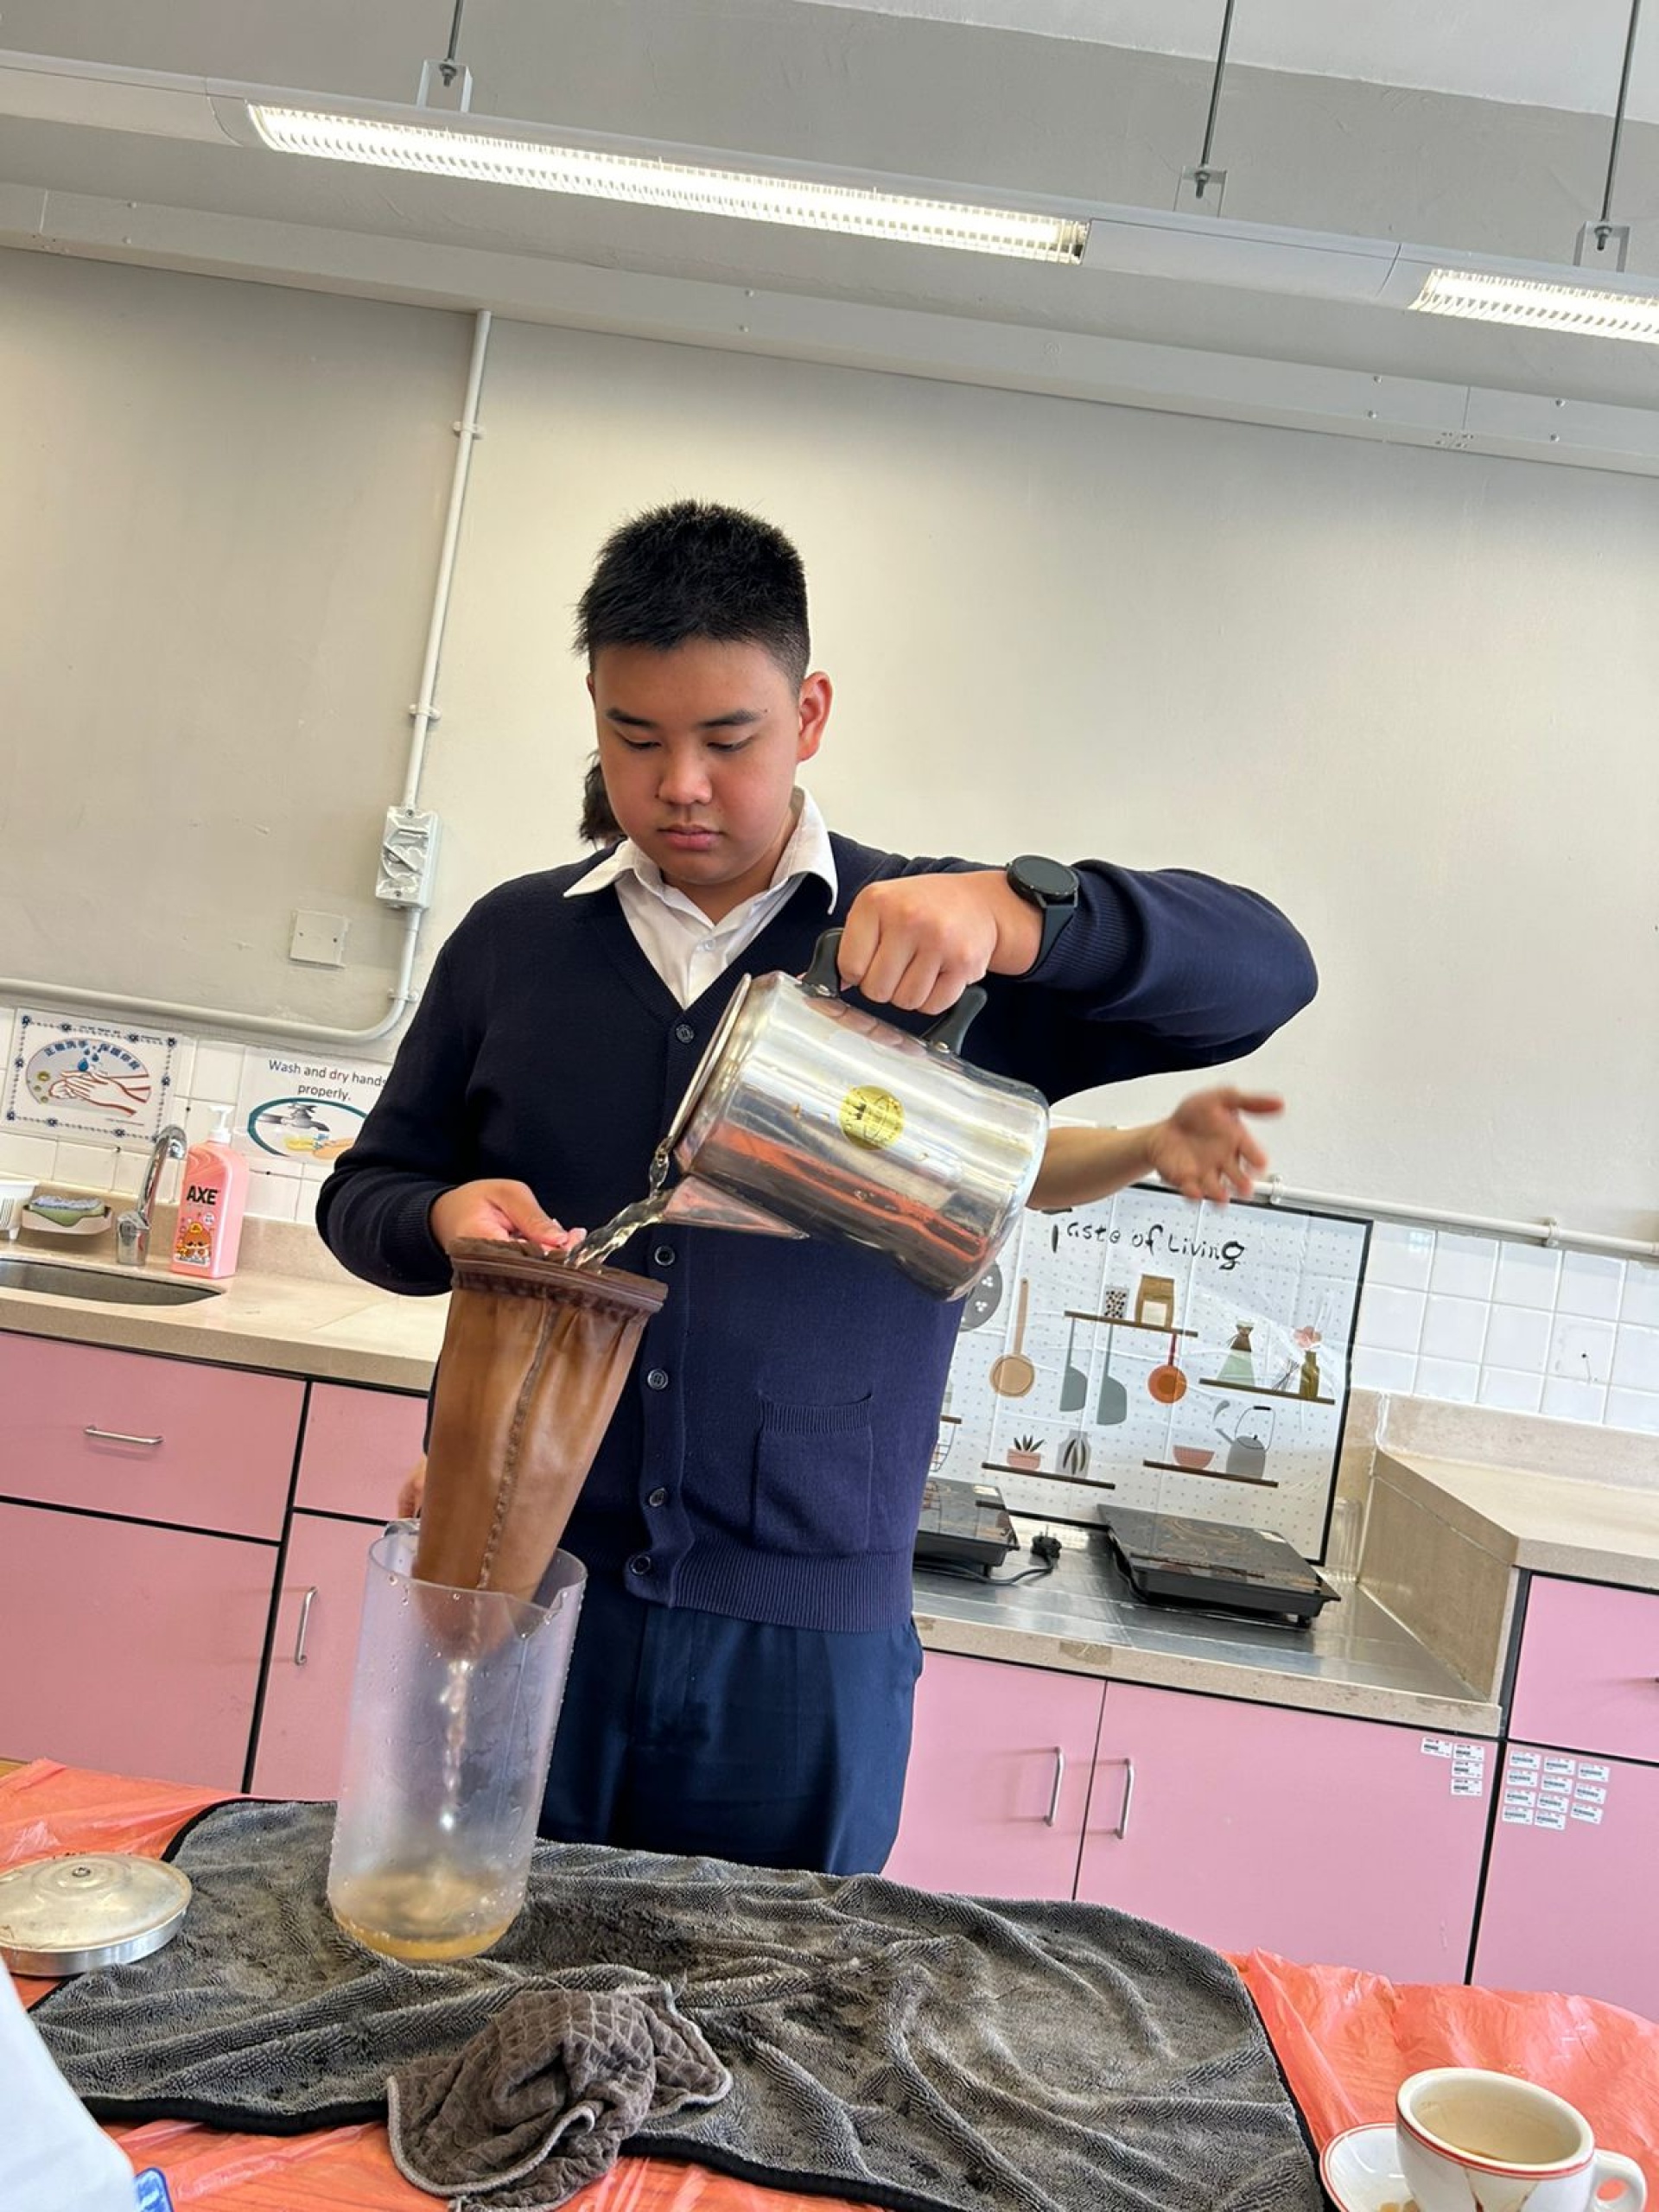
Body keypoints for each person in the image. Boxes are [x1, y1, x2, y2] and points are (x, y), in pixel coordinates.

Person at [317, 499, 1317, 1878]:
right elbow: (366, 1194)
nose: (680, 785)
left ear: (810, 714)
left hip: (804, 1648)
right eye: (634, 738)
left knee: (791, 2005)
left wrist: (1023, 911)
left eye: (728, 740)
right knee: (476, 1973)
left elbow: (1266, 971)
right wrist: (439, 1219)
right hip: (523, 1598)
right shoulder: (515, 942)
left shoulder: (927, 941)